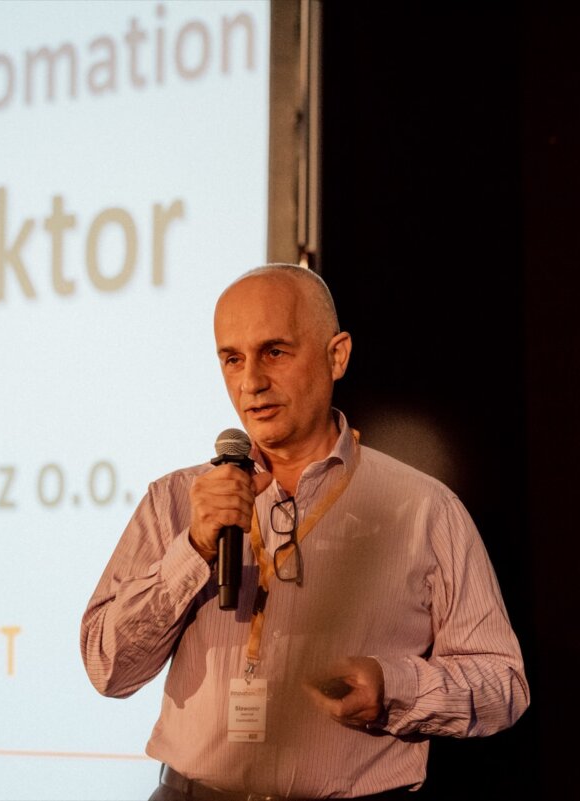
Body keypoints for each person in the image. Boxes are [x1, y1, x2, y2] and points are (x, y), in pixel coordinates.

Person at [80, 265, 528, 800]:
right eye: (232, 359)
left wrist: (395, 687)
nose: (251, 382)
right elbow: (109, 669)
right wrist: (195, 548)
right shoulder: (176, 501)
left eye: (274, 352)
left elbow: (503, 683)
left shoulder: (423, 509)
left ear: (336, 355)